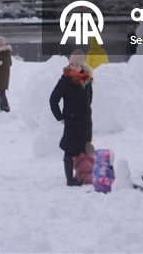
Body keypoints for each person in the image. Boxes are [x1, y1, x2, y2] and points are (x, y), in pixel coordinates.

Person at [49, 49, 93, 186]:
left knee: (83, 150)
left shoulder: (87, 80)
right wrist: (60, 117)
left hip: (85, 121)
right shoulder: (65, 80)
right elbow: (53, 99)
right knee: (69, 151)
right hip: (72, 122)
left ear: (82, 66)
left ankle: (81, 176)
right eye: (71, 64)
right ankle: (70, 180)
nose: (73, 67)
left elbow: (89, 99)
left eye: (76, 64)